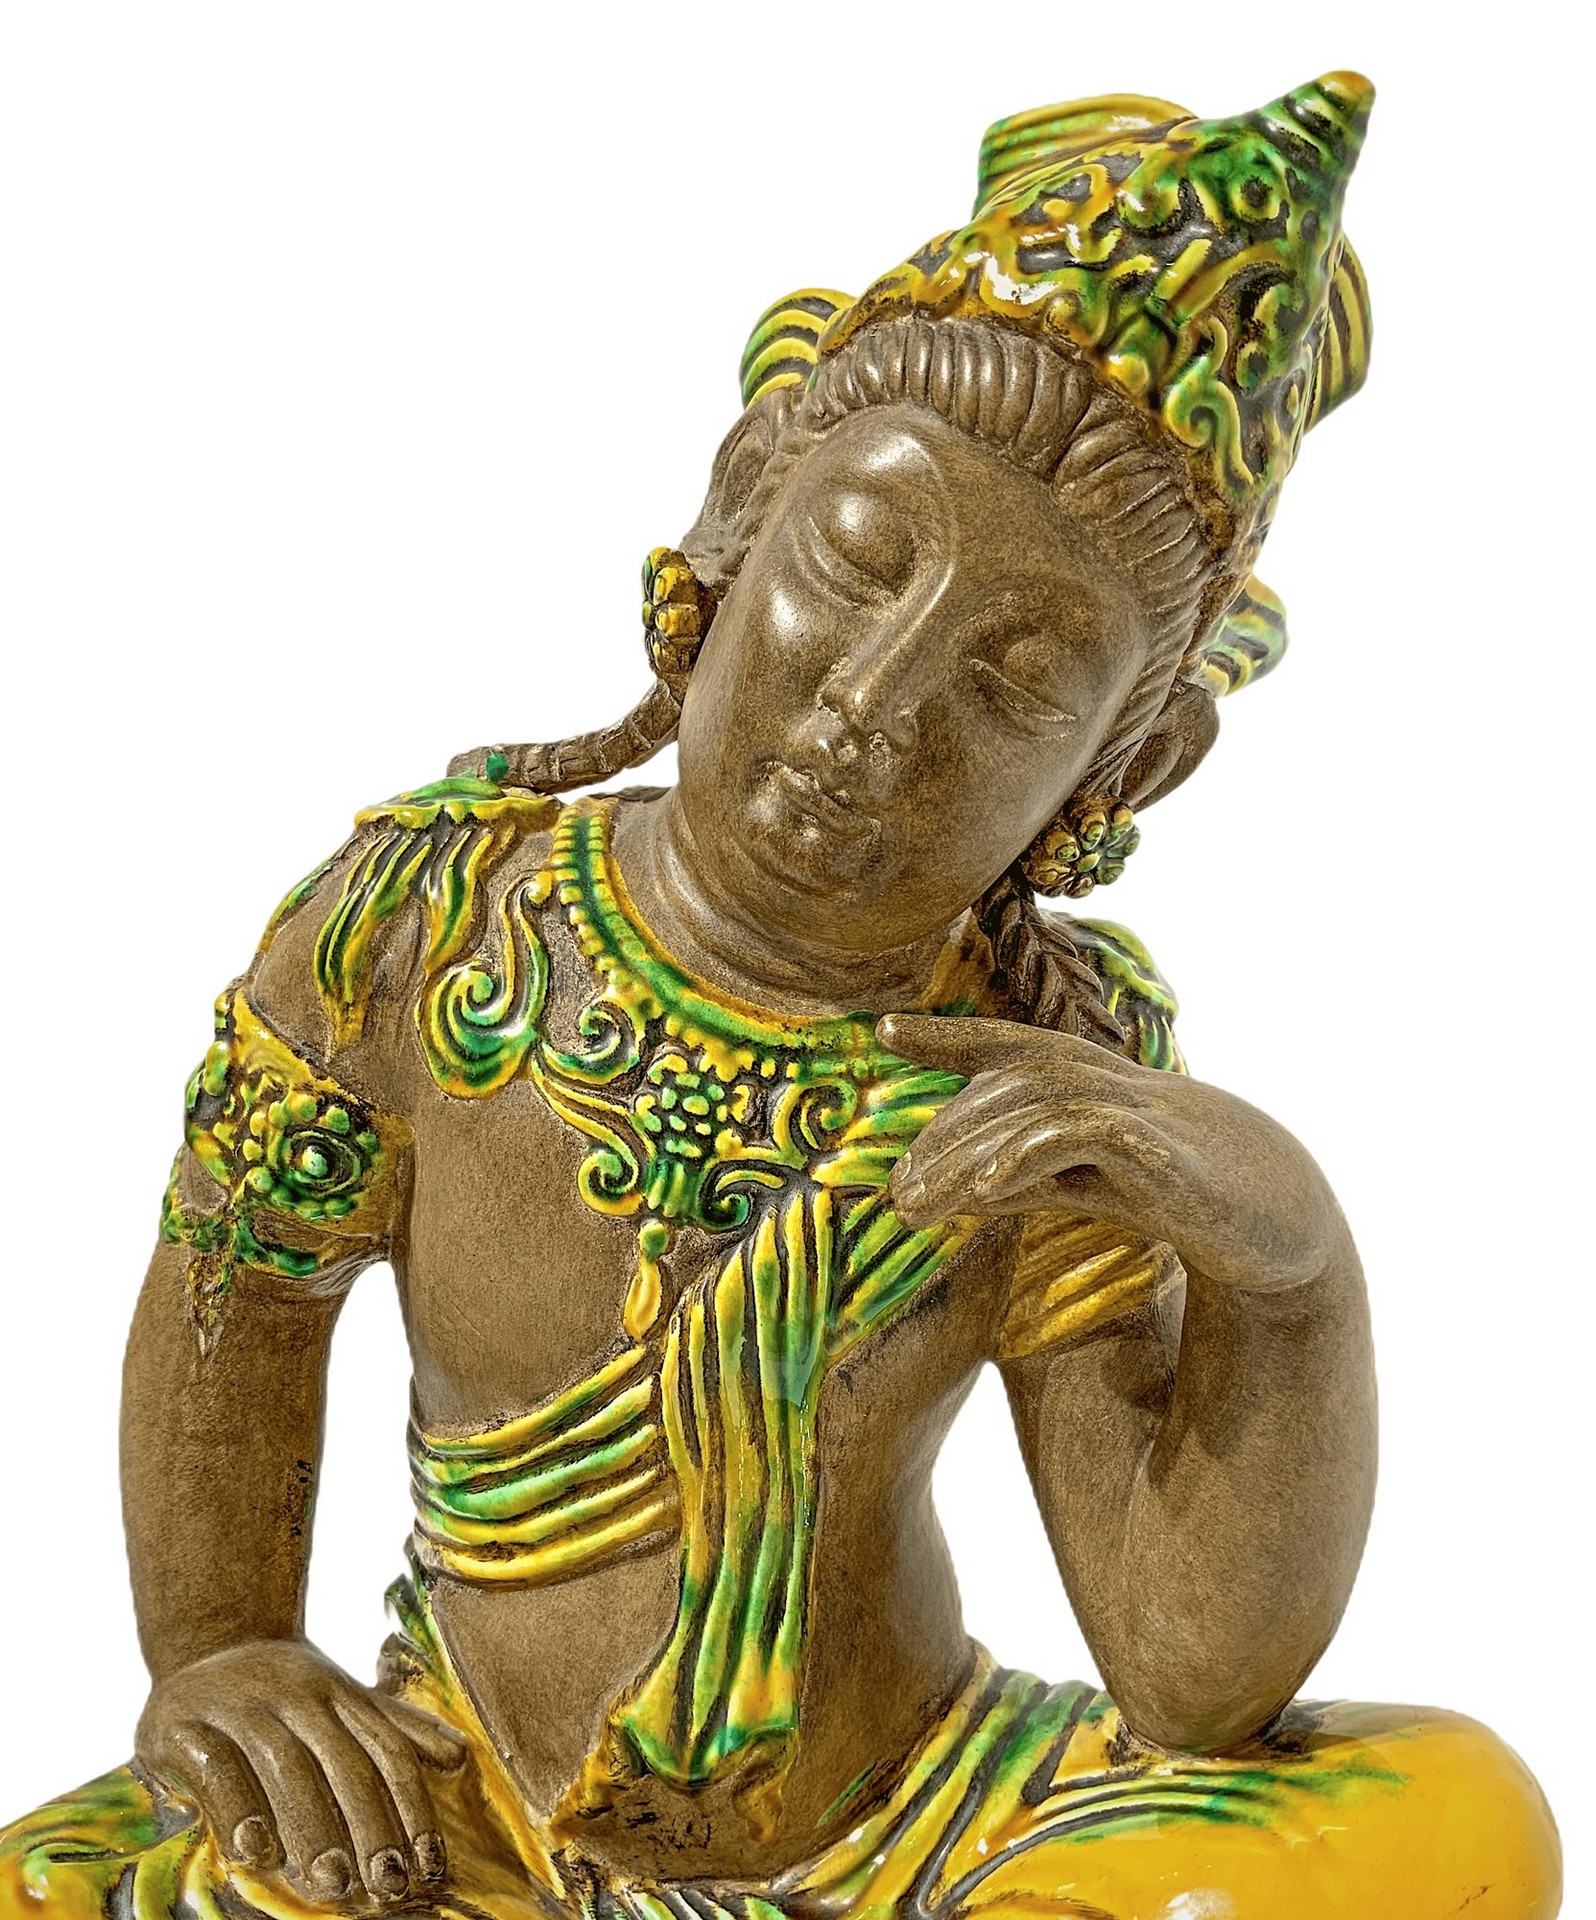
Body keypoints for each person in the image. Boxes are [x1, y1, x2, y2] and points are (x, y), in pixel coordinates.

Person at [0, 71, 1562, 1920]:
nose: (874, 706)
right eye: (857, 563)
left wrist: (1289, 1267)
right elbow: (239, 1294)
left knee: (1454, 1812)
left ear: (1116, 774)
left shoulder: (1042, 1069)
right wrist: (222, 1649)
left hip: (919, 1821)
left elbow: (1184, 1677)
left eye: (1018, 684)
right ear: (743, 516)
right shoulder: (428, 921)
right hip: (463, 1799)